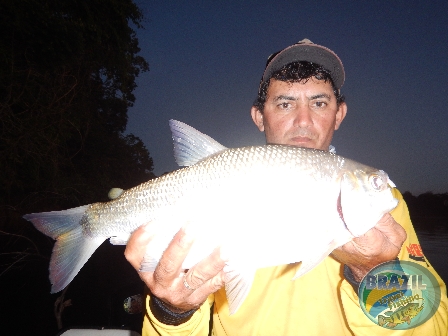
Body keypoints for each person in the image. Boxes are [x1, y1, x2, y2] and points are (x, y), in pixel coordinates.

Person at [125, 39, 448, 335]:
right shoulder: (216, 187)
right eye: (284, 104)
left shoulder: (380, 203)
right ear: (259, 116)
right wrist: (172, 311)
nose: (304, 120)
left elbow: (433, 328)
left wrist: (374, 272)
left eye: (319, 103)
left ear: (339, 114)